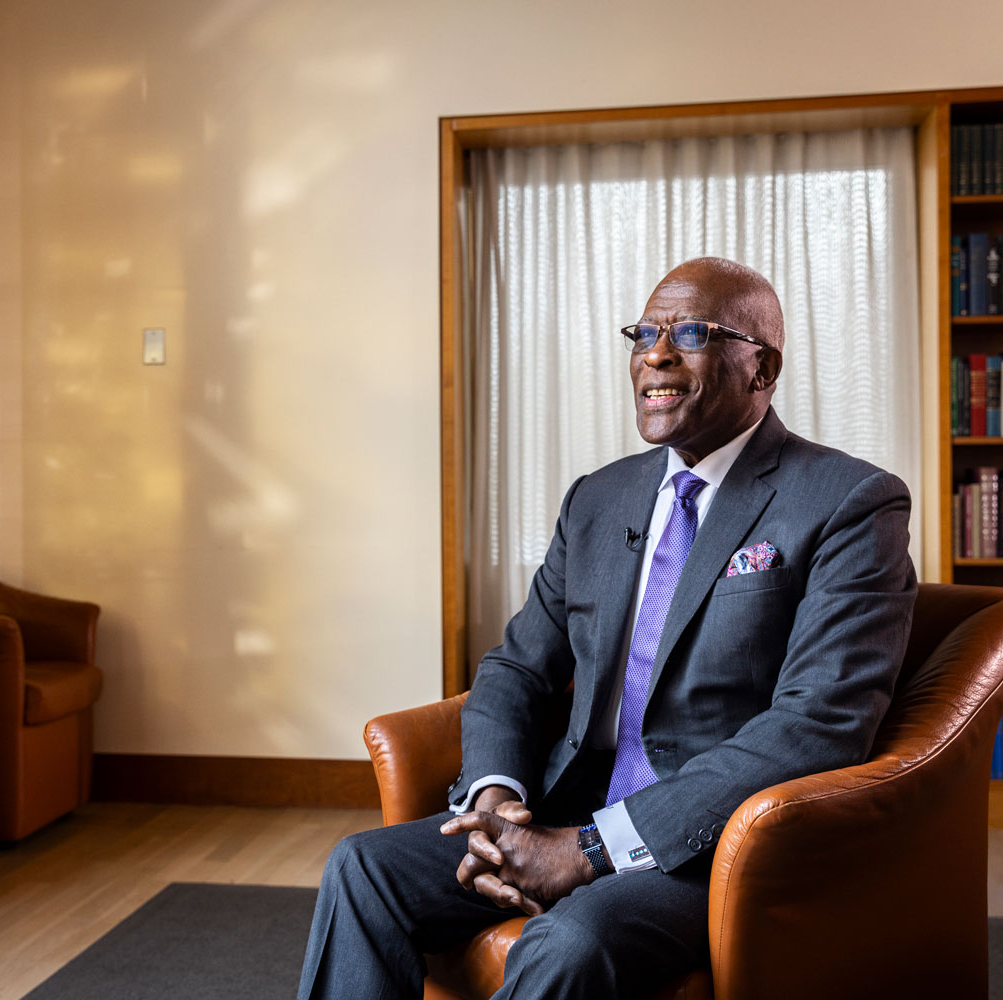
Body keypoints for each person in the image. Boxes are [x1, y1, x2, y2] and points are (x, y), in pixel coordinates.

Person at [297, 257, 918, 999]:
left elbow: (817, 724)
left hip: (705, 847)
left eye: (691, 333)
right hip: (563, 807)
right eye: (644, 333)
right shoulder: (597, 500)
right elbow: (516, 670)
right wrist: (497, 806)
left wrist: (589, 851)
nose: (656, 354)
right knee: (363, 868)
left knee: (571, 943)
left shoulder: (849, 501)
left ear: (762, 367)